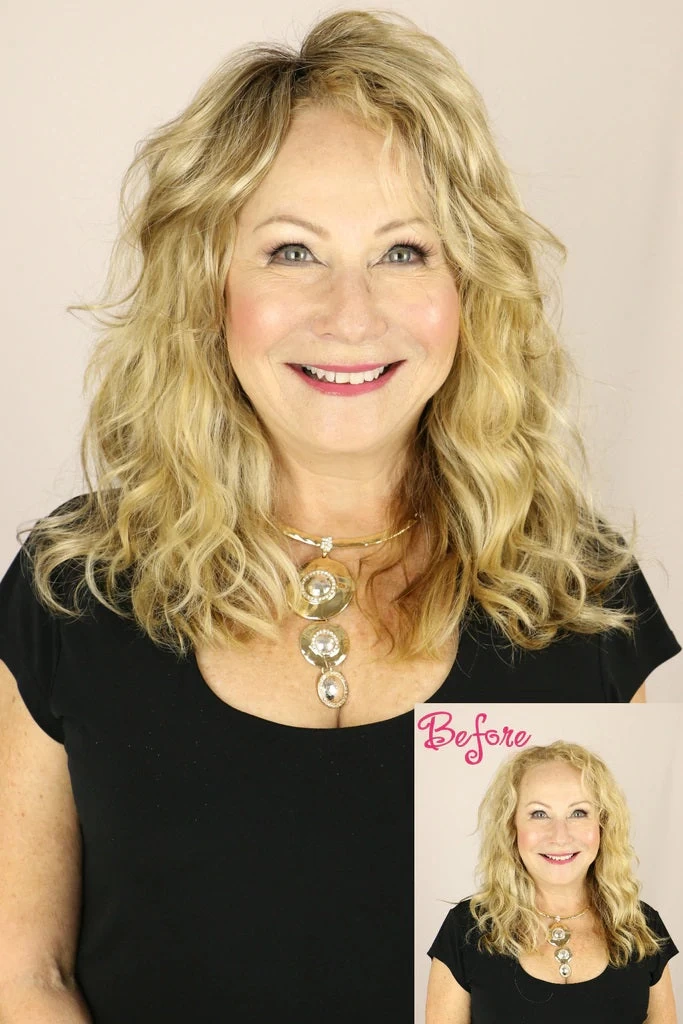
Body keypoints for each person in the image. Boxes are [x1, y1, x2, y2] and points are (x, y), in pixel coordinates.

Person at [0, 8, 679, 1023]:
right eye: (291, 251)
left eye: (403, 251)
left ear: (468, 287)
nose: (351, 313)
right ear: (208, 286)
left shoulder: (579, 598)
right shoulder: (74, 585)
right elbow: (25, 974)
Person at [426, 741, 679, 1023]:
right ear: (511, 826)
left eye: (578, 812)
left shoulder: (644, 928)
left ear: (603, 825)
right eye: (539, 813)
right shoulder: (465, 931)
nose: (560, 836)